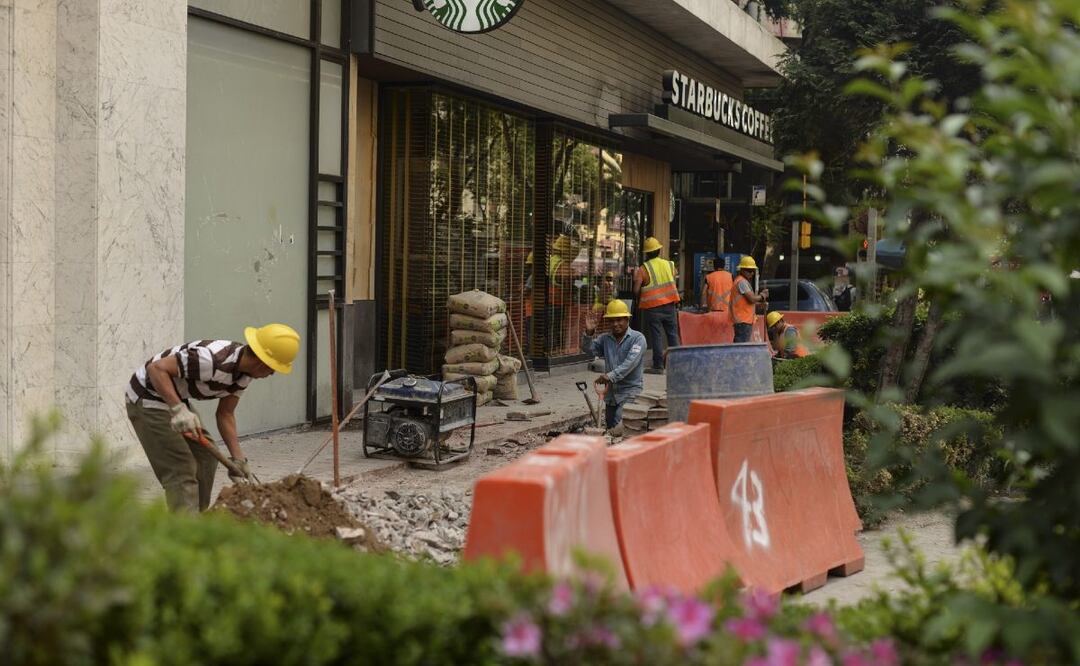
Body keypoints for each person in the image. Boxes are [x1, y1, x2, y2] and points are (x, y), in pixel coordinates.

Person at [125, 323, 301, 512]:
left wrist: (239, 460)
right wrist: (178, 409)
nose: (272, 373)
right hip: (147, 396)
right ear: (262, 362)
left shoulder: (244, 375)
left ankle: (195, 516)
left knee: (206, 458)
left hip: (174, 398)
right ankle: (183, 525)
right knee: (181, 468)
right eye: (273, 368)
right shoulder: (210, 359)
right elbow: (156, 369)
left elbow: (225, 414)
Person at [583, 300, 646, 435]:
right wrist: (589, 333)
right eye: (612, 321)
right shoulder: (605, 339)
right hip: (611, 395)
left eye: (619, 320)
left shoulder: (638, 339)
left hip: (630, 392)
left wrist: (609, 376)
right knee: (610, 427)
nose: (615, 324)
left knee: (618, 428)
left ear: (627, 319)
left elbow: (630, 363)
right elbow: (589, 351)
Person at [633, 236, 681, 374]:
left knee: (657, 336)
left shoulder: (643, 269)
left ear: (646, 253)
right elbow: (673, 280)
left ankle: (658, 366)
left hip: (653, 308)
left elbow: (636, 290)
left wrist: (638, 298)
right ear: (659, 251)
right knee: (672, 335)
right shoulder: (670, 265)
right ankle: (678, 364)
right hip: (670, 305)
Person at [731, 256, 768, 343]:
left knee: (741, 345)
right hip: (743, 320)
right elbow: (752, 299)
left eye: (753, 271)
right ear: (742, 270)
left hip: (743, 320)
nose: (752, 273)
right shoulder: (742, 282)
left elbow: (747, 302)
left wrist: (760, 304)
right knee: (742, 346)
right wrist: (762, 296)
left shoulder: (741, 281)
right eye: (749, 271)